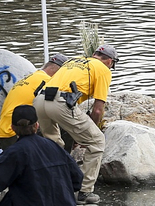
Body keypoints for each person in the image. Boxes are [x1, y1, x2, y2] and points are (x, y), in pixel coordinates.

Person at [33, 44, 117, 205]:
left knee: (54, 145)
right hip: (60, 102)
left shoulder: (74, 60)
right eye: (112, 65)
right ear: (109, 62)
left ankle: (52, 185)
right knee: (97, 141)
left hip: (40, 100)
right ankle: (84, 191)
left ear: (94, 54)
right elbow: (98, 110)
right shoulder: (104, 69)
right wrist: (91, 131)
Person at [0, 105, 84, 205]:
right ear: (37, 126)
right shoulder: (53, 146)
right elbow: (77, 178)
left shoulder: (15, 152)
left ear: (12, 128)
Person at [0, 52, 69, 149]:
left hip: (4, 132)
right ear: (57, 70)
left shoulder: (31, 77)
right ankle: (64, 158)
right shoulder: (48, 81)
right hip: (16, 132)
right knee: (66, 124)